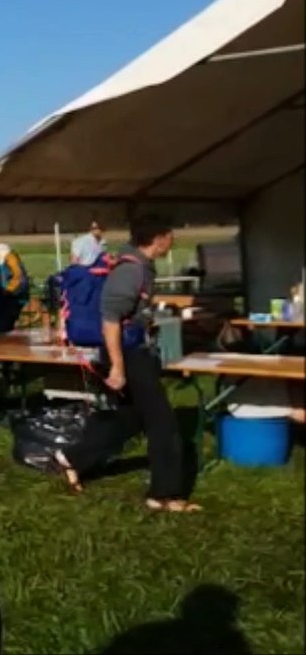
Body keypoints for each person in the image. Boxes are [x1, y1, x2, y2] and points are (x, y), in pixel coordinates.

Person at [55, 214, 199, 513]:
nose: (173, 240)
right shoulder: (130, 271)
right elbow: (110, 320)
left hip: (132, 350)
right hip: (127, 354)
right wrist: (118, 367)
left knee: (133, 416)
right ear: (159, 239)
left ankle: (73, 457)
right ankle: (164, 495)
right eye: (170, 235)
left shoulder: (141, 266)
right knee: (163, 423)